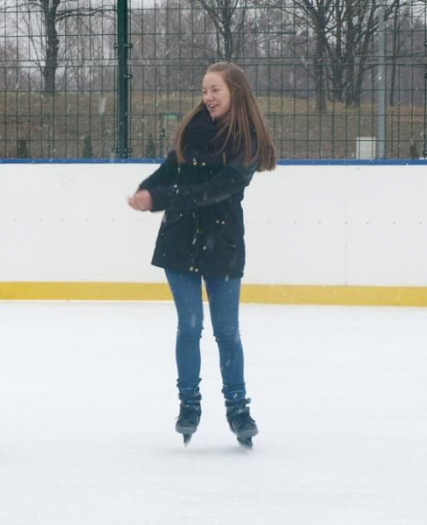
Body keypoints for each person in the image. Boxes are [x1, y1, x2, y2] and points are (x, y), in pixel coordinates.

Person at [128, 62, 277, 448]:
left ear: (235, 94)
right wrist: (147, 189)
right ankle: (189, 404)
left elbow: (214, 190)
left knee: (227, 331)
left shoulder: (248, 142)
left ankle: (238, 408)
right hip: (180, 242)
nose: (208, 97)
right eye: (205, 90)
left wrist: (158, 199)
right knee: (190, 327)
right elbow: (170, 169)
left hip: (223, 244)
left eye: (216, 90)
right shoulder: (192, 131)